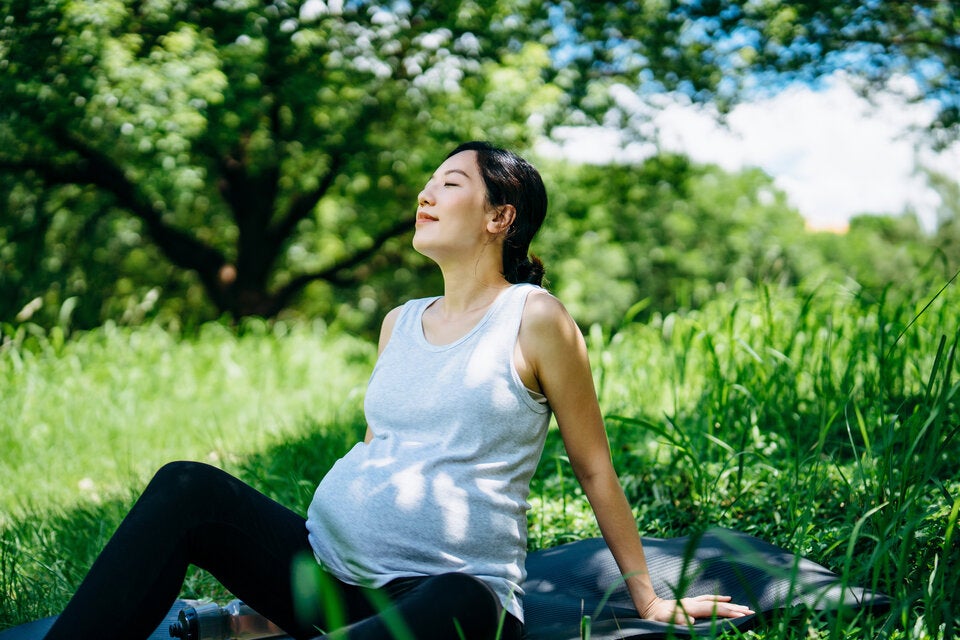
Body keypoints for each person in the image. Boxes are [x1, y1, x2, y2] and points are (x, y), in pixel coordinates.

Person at [44, 141, 753, 640]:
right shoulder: (399, 322)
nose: (425, 193)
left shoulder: (536, 319)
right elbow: (383, 451)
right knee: (186, 487)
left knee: (464, 597)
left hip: (449, 597)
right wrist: (262, 597)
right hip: (328, 578)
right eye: (429, 182)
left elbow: (594, 467)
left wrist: (649, 598)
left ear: (499, 216)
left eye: (449, 183)